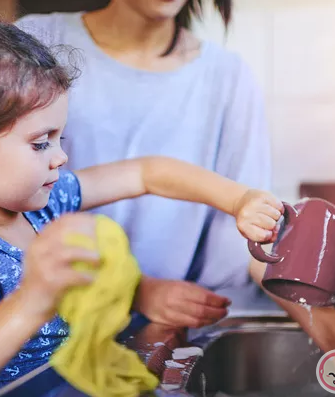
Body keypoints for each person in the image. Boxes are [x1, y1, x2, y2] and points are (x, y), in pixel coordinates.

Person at [0, 7, 285, 397]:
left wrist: (240, 198)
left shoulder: (45, 204)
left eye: (59, 137)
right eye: (40, 143)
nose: (62, 156)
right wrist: (33, 299)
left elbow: (147, 171)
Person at [14, 0, 274, 328]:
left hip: (167, 328)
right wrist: (135, 290)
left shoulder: (229, 76)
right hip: (48, 325)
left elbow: (245, 232)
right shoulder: (36, 41)